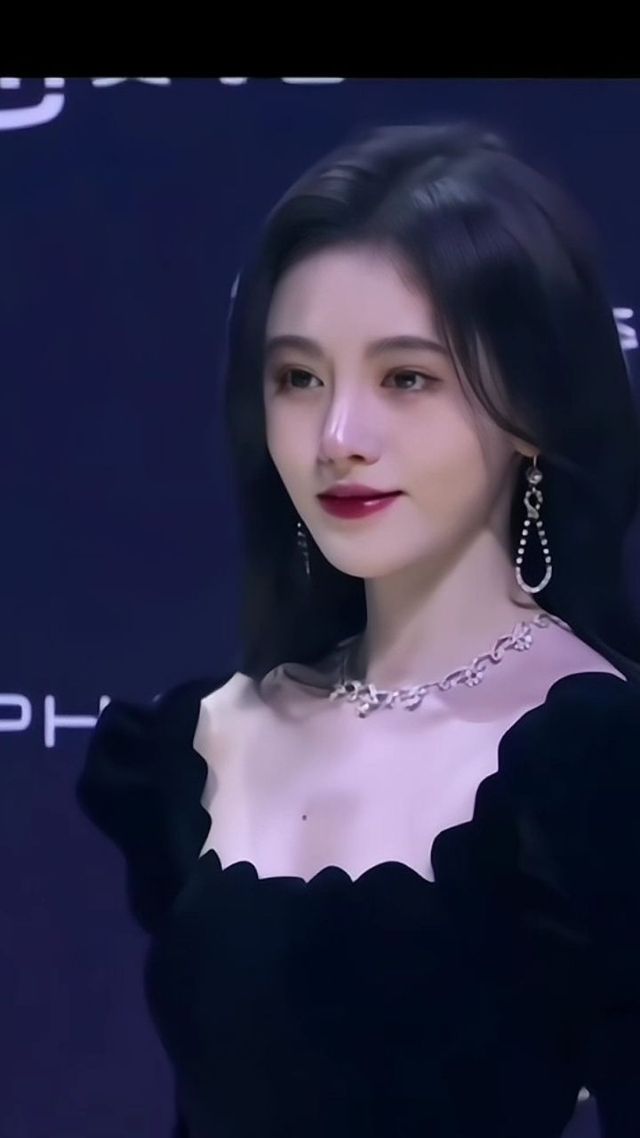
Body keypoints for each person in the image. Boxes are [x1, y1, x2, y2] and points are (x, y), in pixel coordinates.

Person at [76, 121, 640, 1137]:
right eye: (299, 378)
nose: (337, 438)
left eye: (405, 378)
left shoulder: (598, 763)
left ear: (530, 407)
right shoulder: (201, 744)